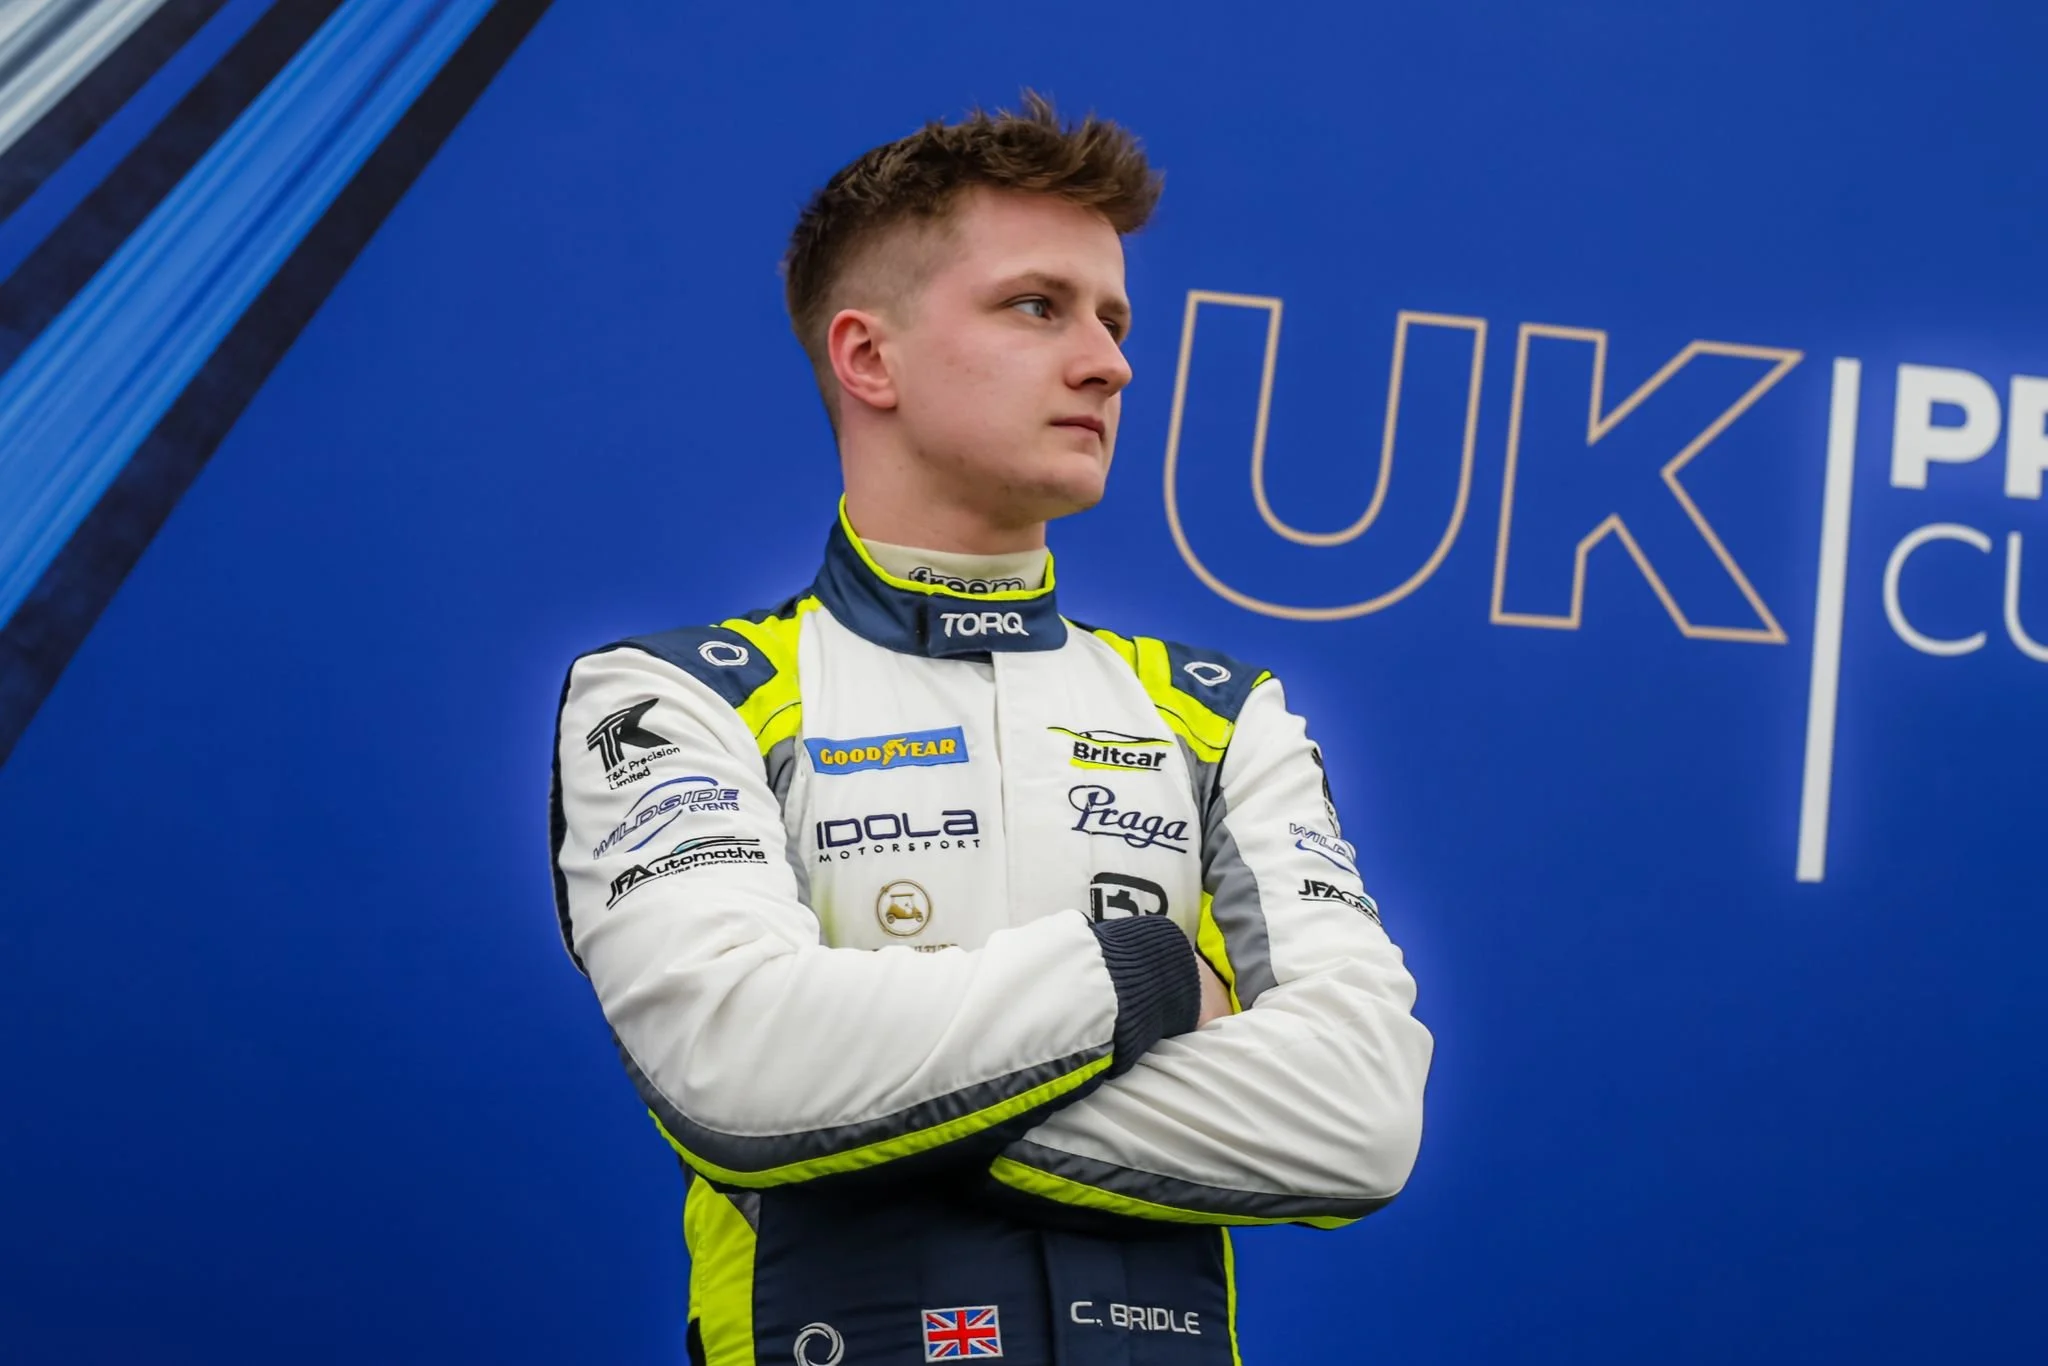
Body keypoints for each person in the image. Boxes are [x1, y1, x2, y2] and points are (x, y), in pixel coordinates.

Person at [549, 92, 1433, 1366]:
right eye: (1038, 307)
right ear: (868, 358)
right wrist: (1140, 978)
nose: (1110, 361)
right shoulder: (679, 699)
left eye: (1114, 318)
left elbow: (1357, 1117)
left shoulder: (1222, 717)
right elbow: (738, 1069)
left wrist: (878, 1094)